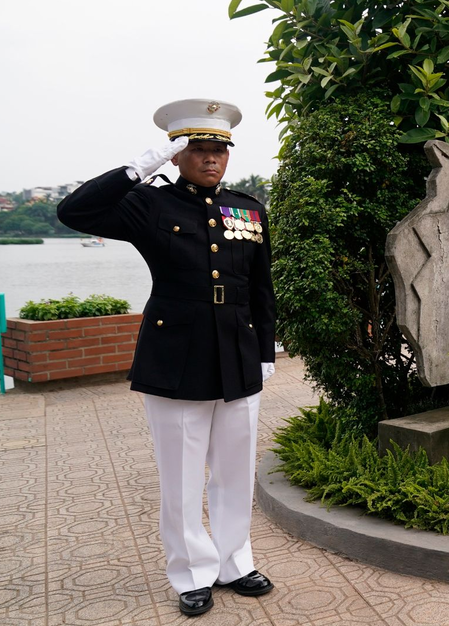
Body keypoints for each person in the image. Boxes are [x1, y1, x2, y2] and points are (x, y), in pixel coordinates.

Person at [57, 99, 276, 616]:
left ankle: (234, 561)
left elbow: (262, 288)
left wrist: (265, 349)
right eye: (197, 149)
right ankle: (191, 572)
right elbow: (73, 212)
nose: (211, 158)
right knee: (180, 474)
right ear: (177, 156)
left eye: (219, 148)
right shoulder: (149, 204)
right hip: (177, 353)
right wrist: (139, 168)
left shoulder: (248, 208)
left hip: (240, 353)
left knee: (235, 469)